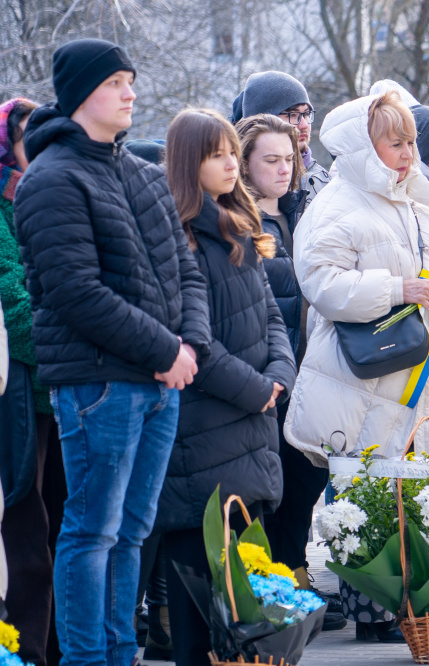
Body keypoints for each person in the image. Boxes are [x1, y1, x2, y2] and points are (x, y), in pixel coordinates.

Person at [13, 39, 211, 666]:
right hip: (99, 383)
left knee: (131, 533)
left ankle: (120, 654)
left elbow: (187, 271)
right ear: (81, 95)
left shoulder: (144, 174)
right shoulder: (50, 179)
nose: (131, 92)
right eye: (116, 82)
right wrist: (163, 349)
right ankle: (87, 660)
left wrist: (190, 346)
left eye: (131, 80)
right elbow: (75, 292)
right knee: (91, 532)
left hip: (161, 380)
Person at [283, 91, 429, 642]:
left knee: (420, 485)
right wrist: (397, 289)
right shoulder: (336, 205)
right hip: (361, 373)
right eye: (395, 142)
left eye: (411, 142)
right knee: (364, 491)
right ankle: (370, 610)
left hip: (422, 373)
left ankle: (417, 603)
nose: (408, 153)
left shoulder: (419, 205)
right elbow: (321, 283)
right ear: (364, 146)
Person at [156, 108, 296, 666]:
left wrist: (279, 379)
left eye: (232, 153)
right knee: (200, 604)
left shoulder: (238, 229)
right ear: (191, 163)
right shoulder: (179, 238)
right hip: (204, 435)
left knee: (245, 606)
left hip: (252, 427)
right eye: (218, 154)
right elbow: (197, 346)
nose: (231, 164)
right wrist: (258, 390)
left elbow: (273, 319)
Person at [233, 113, 344, 627]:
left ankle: (294, 566)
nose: (284, 169)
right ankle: (275, 582)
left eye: (290, 159)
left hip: (312, 365)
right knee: (271, 483)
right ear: (245, 164)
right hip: (263, 372)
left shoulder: (308, 211)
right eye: (270, 160)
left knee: (305, 475)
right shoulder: (240, 219)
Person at [0, 95, 68, 666]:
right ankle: (26, 655)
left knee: (66, 529)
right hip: (18, 392)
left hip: (66, 391)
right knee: (26, 539)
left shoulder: (55, 199)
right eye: (30, 136)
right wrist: (66, 337)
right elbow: (17, 307)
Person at [230, 70, 330, 203]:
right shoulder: (230, 185)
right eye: (292, 115)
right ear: (265, 121)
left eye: (306, 114)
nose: (304, 124)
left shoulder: (323, 181)